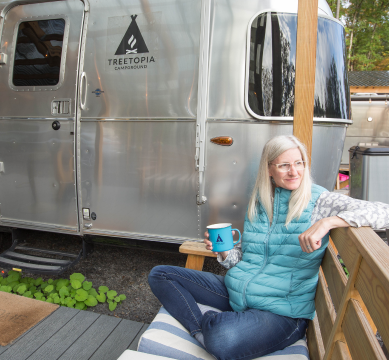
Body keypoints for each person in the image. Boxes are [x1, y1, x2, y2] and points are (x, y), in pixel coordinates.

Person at [148, 135, 389, 360]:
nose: (294, 171)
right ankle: (200, 330)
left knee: (222, 338)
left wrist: (329, 222)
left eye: (299, 163)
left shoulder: (319, 201)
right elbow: (243, 259)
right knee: (161, 274)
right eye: (284, 165)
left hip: (281, 311)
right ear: (269, 169)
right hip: (238, 291)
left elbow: (384, 212)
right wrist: (223, 251)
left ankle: (214, 328)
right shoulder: (261, 201)